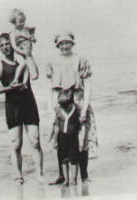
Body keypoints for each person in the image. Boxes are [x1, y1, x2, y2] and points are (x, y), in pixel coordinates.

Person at [0, 33, 43, 184]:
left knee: (35, 141)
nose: (6, 47)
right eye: (2, 45)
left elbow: (35, 75)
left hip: (29, 103)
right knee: (16, 143)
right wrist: (8, 88)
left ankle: (40, 173)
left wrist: (29, 55)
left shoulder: (24, 59)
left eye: (7, 43)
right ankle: (18, 175)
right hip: (13, 106)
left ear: (12, 45)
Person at [46, 31, 97, 184]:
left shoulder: (81, 59)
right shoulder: (53, 61)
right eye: (61, 43)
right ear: (57, 45)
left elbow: (87, 85)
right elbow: (50, 88)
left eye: (67, 42)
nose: (64, 46)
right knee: (61, 139)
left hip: (78, 100)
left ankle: (84, 175)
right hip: (60, 102)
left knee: (82, 138)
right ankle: (63, 176)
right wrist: (51, 109)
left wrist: (85, 106)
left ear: (72, 43)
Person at [49, 88, 80, 186]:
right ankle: (66, 179)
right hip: (61, 137)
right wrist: (55, 141)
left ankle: (73, 179)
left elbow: (81, 125)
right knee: (63, 159)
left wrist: (82, 139)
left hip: (73, 137)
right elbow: (56, 126)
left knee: (73, 159)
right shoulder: (58, 110)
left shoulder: (77, 109)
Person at [9, 8, 39, 88]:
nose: (22, 23)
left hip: (27, 52)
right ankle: (15, 79)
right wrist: (22, 52)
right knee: (23, 63)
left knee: (28, 67)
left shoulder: (26, 30)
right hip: (19, 52)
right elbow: (14, 46)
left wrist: (33, 38)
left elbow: (33, 40)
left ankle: (25, 82)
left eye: (23, 21)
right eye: (20, 22)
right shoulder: (13, 33)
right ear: (14, 22)